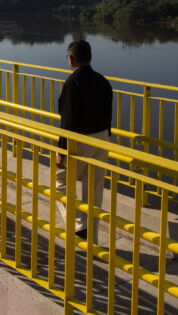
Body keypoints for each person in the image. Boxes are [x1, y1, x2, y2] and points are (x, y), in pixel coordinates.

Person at [56, 39, 113, 241]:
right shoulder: (103, 81)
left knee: (60, 181)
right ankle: (92, 238)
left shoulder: (72, 83)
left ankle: (79, 226)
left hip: (80, 140)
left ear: (71, 59)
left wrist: (61, 151)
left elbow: (68, 121)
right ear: (89, 57)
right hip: (102, 138)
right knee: (95, 189)